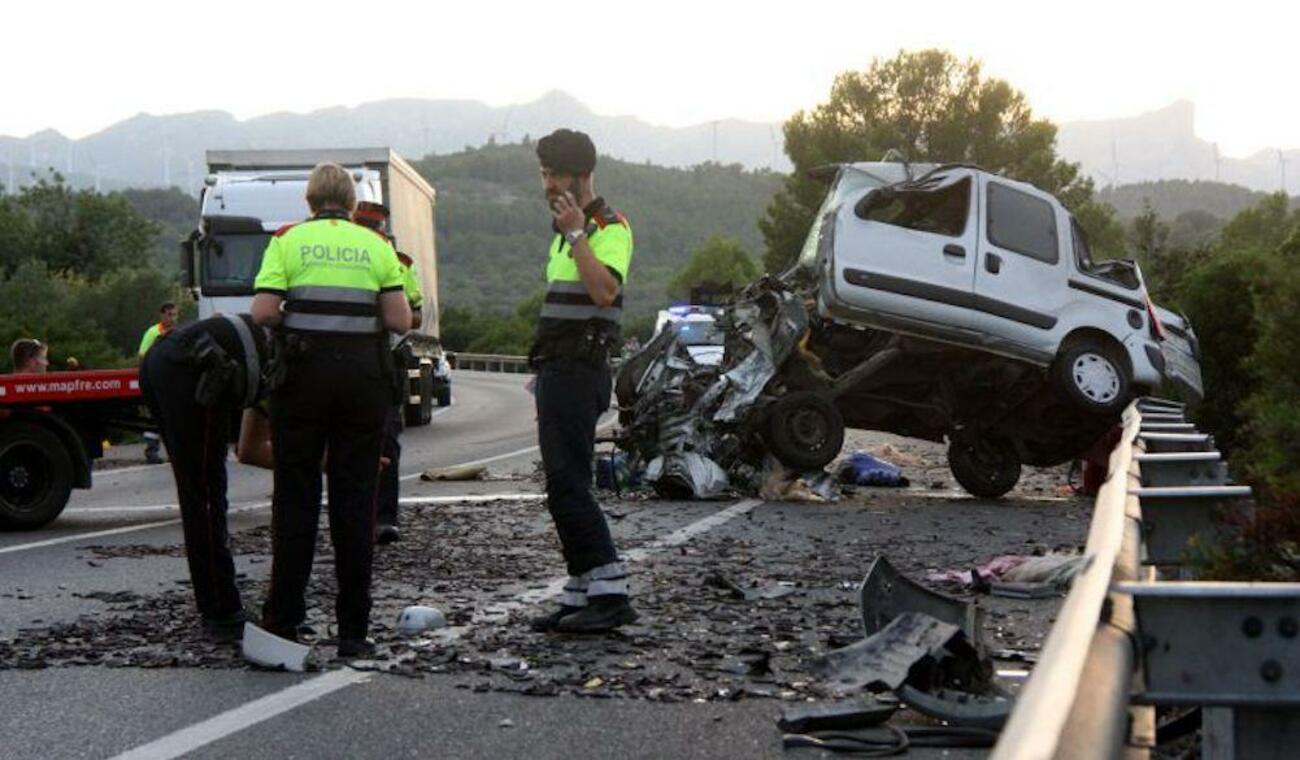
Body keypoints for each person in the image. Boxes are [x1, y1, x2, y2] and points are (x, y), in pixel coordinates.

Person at [250, 162, 410, 658]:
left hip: (302, 383)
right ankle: (353, 633)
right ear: (354, 202)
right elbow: (400, 318)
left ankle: (283, 625)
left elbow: (263, 312)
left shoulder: (288, 242)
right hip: (362, 384)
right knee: (355, 503)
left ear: (309, 201)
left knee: (295, 499)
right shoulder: (376, 246)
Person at [527, 129, 637, 633]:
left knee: (569, 482)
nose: (547, 183)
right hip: (558, 368)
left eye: (555, 174)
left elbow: (603, 292)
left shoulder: (608, 227)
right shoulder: (563, 229)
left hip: (580, 369)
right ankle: (581, 591)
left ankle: (610, 592)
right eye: (545, 173)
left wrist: (576, 234)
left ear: (582, 175)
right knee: (561, 482)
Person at [138, 313, 271, 638]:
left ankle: (216, 603)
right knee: (206, 492)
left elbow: (252, 449)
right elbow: (254, 450)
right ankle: (222, 611)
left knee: (198, 491)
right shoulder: (295, 369)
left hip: (167, 360)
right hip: (196, 365)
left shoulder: (281, 350)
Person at [351, 201, 424, 545]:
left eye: (374, 227)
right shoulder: (347, 256)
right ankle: (354, 515)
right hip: (350, 359)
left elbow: (416, 317)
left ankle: (384, 518)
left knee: (386, 441)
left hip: (384, 359)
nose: (370, 232)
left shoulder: (397, 264)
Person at [139, 302, 181, 464]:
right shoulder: (153, 332)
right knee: (154, 417)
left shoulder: (178, 333)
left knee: (172, 419)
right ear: (162, 315)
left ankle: (175, 452)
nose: (173, 318)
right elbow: (143, 356)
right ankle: (151, 451)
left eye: (175, 315)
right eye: (169, 315)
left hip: (172, 383)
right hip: (156, 381)